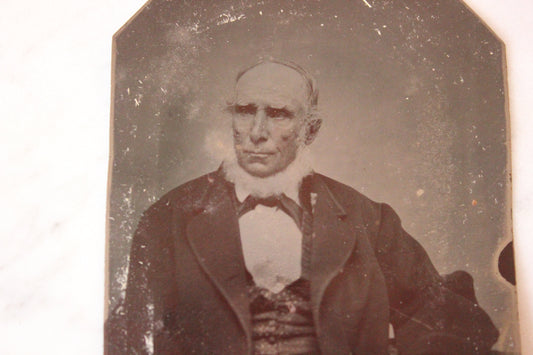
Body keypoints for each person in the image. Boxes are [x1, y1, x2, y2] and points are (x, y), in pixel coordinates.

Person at [111, 60, 499, 354]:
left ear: (310, 129)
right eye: (246, 110)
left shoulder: (367, 218)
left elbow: (453, 323)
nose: (257, 132)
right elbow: (132, 338)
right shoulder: (168, 218)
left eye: (279, 114)